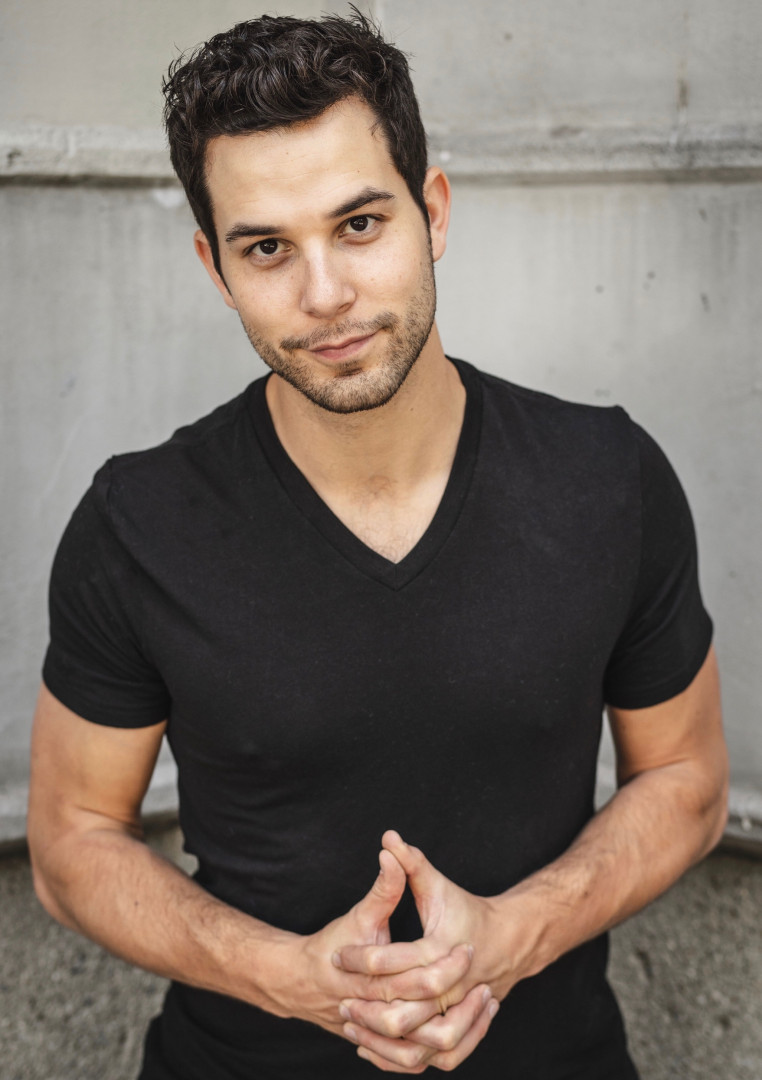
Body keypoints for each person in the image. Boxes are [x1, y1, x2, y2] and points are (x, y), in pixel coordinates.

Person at [27, 10, 728, 1079]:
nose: (326, 296)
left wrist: (512, 936)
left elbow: (686, 777)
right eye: (268, 248)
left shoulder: (606, 479)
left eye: (359, 224)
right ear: (216, 267)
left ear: (432, 211)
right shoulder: (138, 523)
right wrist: (290, 976)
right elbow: (71, 839)